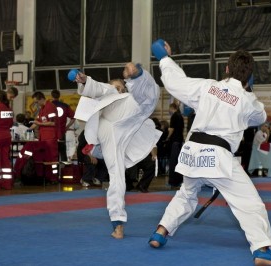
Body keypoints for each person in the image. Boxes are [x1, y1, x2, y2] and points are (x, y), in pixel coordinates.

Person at [148, 40, 271, 266]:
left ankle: (160, 232)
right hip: (217, 157)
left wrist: (164, 58)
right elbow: (261, 117)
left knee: (187, 193)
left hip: (192, 153)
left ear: (226, 69)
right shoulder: (247, 101)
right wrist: (249, 90)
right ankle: (262, 250)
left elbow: (176, 83)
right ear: (249, 76)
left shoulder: (206, 87)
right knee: (249, 203)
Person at [73, 63, 161, 239]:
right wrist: (85, 81)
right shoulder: (109, 93)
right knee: (116, 175)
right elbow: (101, 89)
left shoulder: (128, 98)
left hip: (126, 125)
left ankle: (138, 75)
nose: (119, 90)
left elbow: (149, 100)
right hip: (108, 126)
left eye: (122, 87)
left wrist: (137, 76)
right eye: (117, 87)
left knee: (144, 100)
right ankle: (117, 222)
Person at [29, 91, 60, 183]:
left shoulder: (50, 107)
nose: (36, 104)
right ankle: (47, 176)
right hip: (43, 137)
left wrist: (39, 123)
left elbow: (53, 122)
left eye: (36, 102)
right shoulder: (42, 109)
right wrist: (28, 130)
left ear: (42, 99)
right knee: (45, 158)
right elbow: (37, 121)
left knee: (52, 158)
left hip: (50, 136)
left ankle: (54, 178)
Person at [51, 89, 76, 162]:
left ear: (51, 96)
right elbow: (74, 117)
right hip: (62, 132)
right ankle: (64, 169)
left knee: (52, 151)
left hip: (51, 132)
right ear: (59, 96)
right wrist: (67, 127)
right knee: (62, 151)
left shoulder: (49, 106)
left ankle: (53, 167)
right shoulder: (65, 106)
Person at [166, 102, 184, 188]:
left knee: (173, 162)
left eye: (169, 108)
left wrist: (167, 138)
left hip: (175, 142)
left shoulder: (174, 116)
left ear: (172, 108)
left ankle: (173, 182)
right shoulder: (180, 116)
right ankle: (179, 180)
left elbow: (171, 129)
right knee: (178, 161)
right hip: (180, 141)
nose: (168, 110)